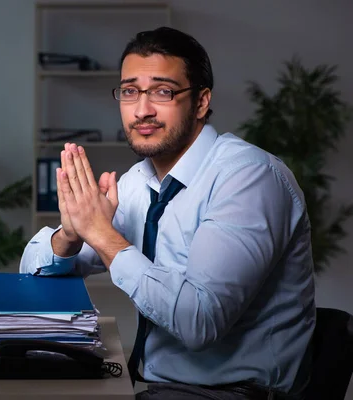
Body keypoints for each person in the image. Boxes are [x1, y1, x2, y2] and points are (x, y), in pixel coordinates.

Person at [19, 27, 315, 399]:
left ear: (201, 102)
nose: (142, 110)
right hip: (158, 387)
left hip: (234, 394)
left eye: (163, 91)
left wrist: (102, 234)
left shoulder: (250, 178)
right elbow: (31, 275)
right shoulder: (139, 181)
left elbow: (200, 321)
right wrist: (70, 235)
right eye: (130, 92)